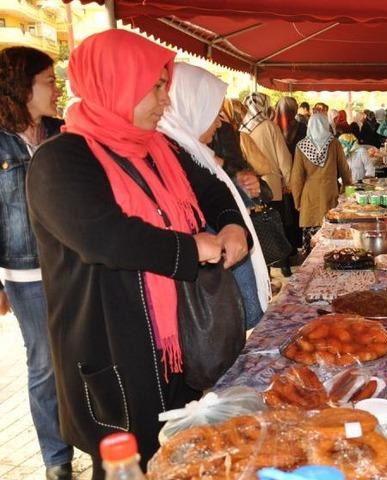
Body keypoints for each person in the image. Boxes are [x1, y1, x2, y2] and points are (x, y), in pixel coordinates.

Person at [26, 30, 251, 477]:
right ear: (117, 82)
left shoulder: (157, 148)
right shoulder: (61, 160)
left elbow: (208, 187)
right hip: (114, 353)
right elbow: (105, 237)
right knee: (127, 465)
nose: (165, 99)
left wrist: (230, 224)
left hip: (178, 345)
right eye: (155, 86)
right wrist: (190, 249)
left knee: (184, 458)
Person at [0, 46, 74, 480]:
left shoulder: (63, 132)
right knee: (45, 362)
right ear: (21, 87)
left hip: (73, 264)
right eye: (48, 80)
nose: (56, 88)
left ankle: (88, 432)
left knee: (81, 351)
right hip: (26, 272)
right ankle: (56, 457)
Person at [158, 62, 270, 329]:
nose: (220, 122)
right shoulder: (170, 153)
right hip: (205, 306)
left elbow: (217, 196)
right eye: (214, 112)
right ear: (192, 107)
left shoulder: (198, 154)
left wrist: (242, 185)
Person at [241, 93, 300, 253]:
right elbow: (284, 158)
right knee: (275, 226)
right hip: (271, 186)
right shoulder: (269, 126)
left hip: (250, 186)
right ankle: (281, 264)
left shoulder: (242, 127)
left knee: (259, 227)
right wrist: (289, 183)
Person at [291, 113, 353, 252]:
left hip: (309, 197)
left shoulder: (301, 146)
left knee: (312, 240)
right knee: (331, 235)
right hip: (330, 193)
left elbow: (297, 178)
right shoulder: (334, 143)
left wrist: (297, 201)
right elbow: (345, 171)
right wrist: (349, 194)